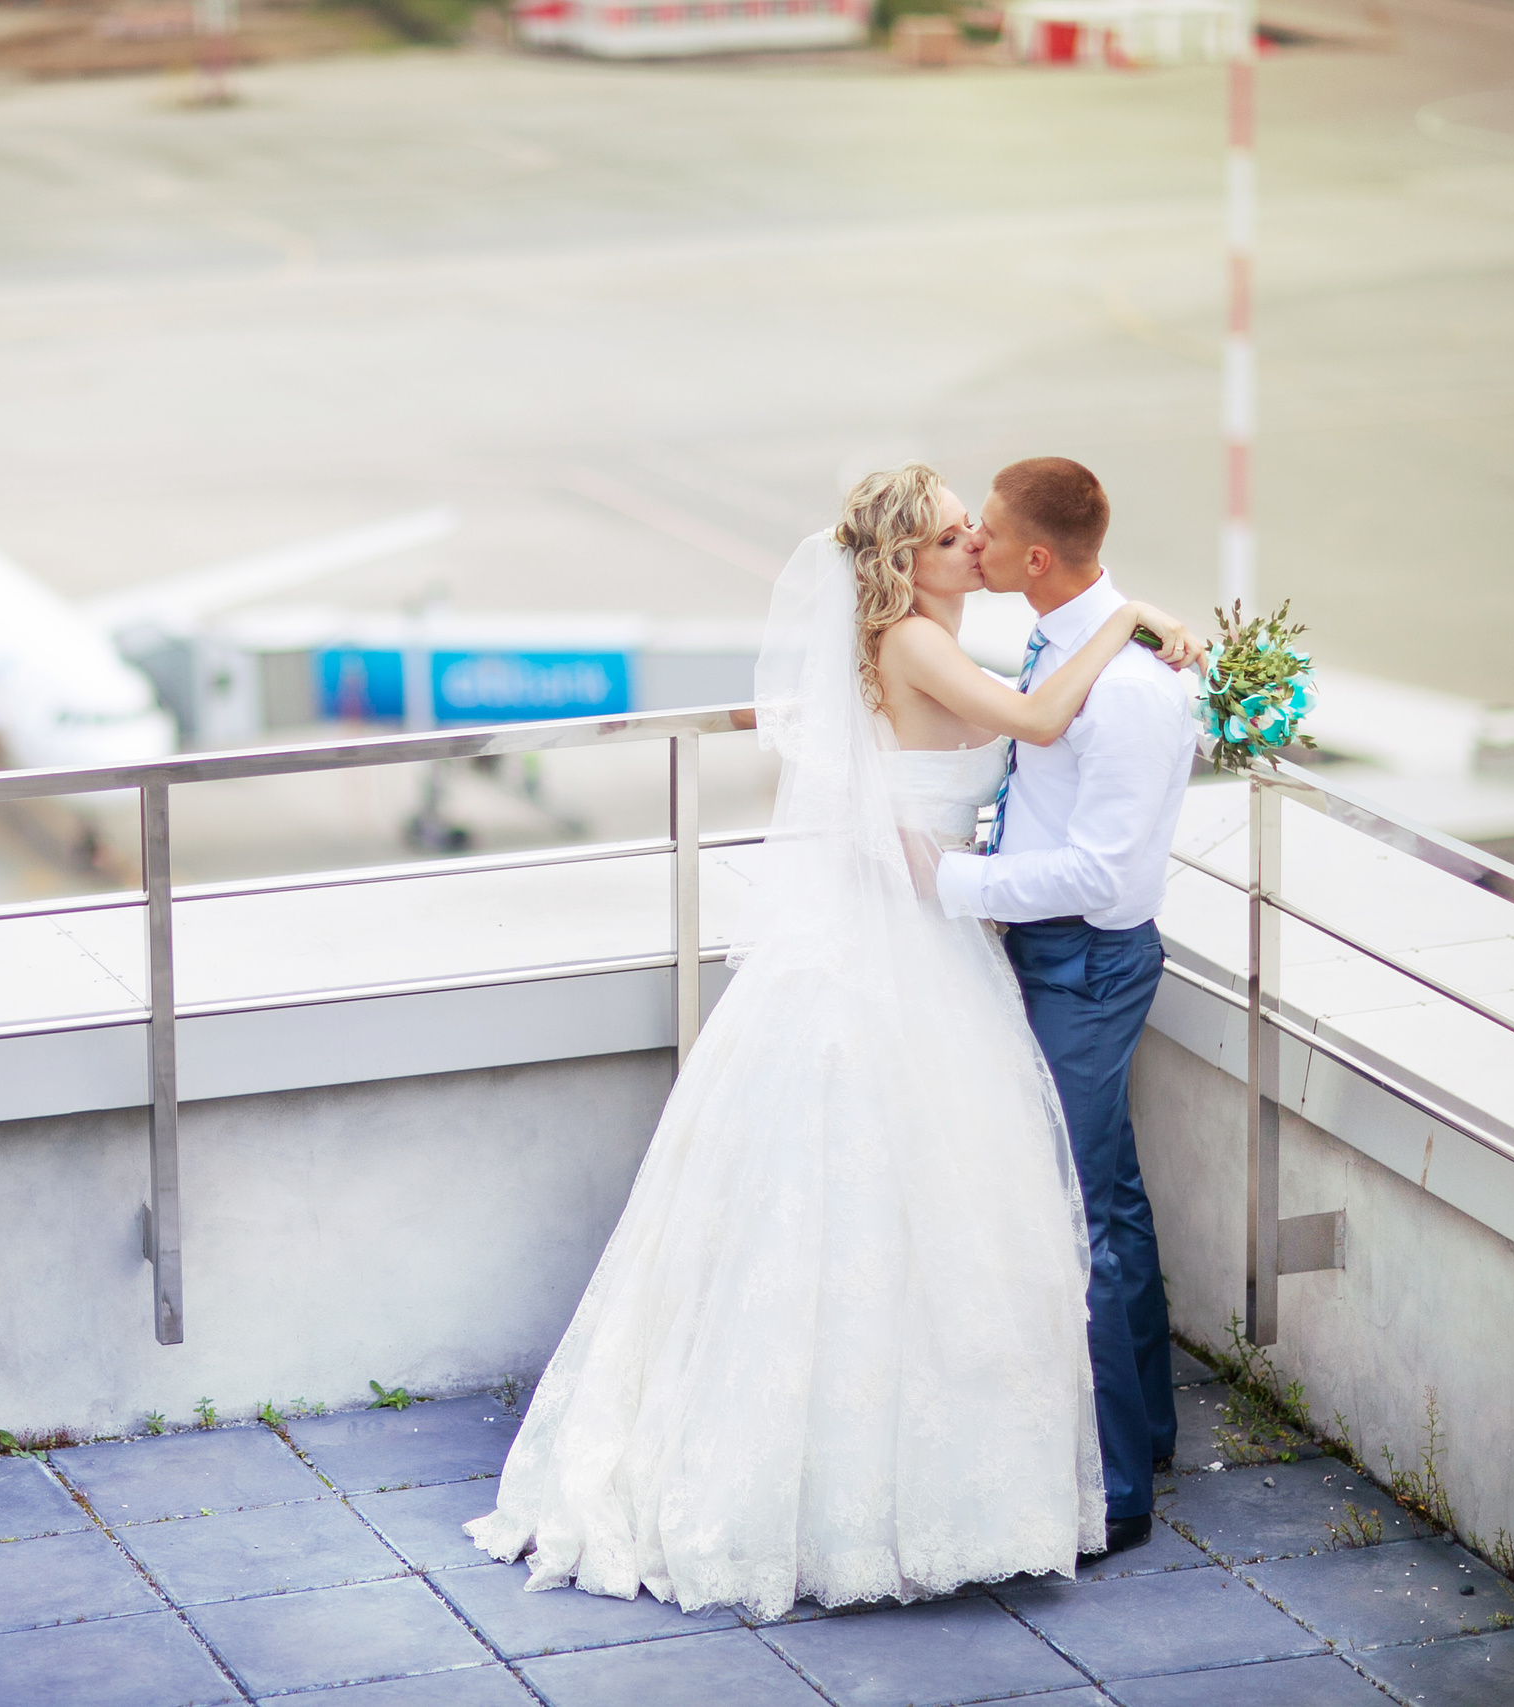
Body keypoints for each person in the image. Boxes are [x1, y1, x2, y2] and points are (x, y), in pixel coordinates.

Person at [463, 462, 1201, 1618]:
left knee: (959, 1198)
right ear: (905, 561)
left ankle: (998, 1447)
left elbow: (1023, 695)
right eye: (956, 536)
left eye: (980, 533)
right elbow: (1038, 716)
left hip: (943, 931)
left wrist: (1122, 617)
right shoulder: (912, 641)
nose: (976, 549)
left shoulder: (939, 640)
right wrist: (1131, 623)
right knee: (895, 1188)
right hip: (910, 931)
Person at [935, 455, 1199, 1558]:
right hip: (1056, 955)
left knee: (1078, 1213)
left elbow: (1099, 873)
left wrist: (954, 886)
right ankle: (1151, 1428)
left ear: (1035, 557)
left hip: (1083, 963)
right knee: (1110, 1195)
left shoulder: (1130, 690)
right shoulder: (1070, 640)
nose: (974, 545)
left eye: (986, 532)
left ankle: (1118, 1492)